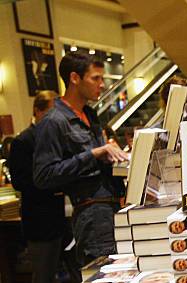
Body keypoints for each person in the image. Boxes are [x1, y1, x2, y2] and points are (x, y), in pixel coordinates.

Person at [33, 52, 128, 268]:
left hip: (112, 208)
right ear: (75, 78)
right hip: (91, 215)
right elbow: (43, 175)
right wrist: (93, 154)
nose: (102, 85)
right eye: (96, 78)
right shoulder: (53, 122)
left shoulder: (90, 114)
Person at [9, 90, 79, 283]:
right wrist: (52, 183)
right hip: (39, 217)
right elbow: (21, 182)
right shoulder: (22, 141)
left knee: (76, 267)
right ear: (38, 112)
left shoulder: (55, 136)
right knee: (44, 275)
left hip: (63, 214)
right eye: (51, 112)